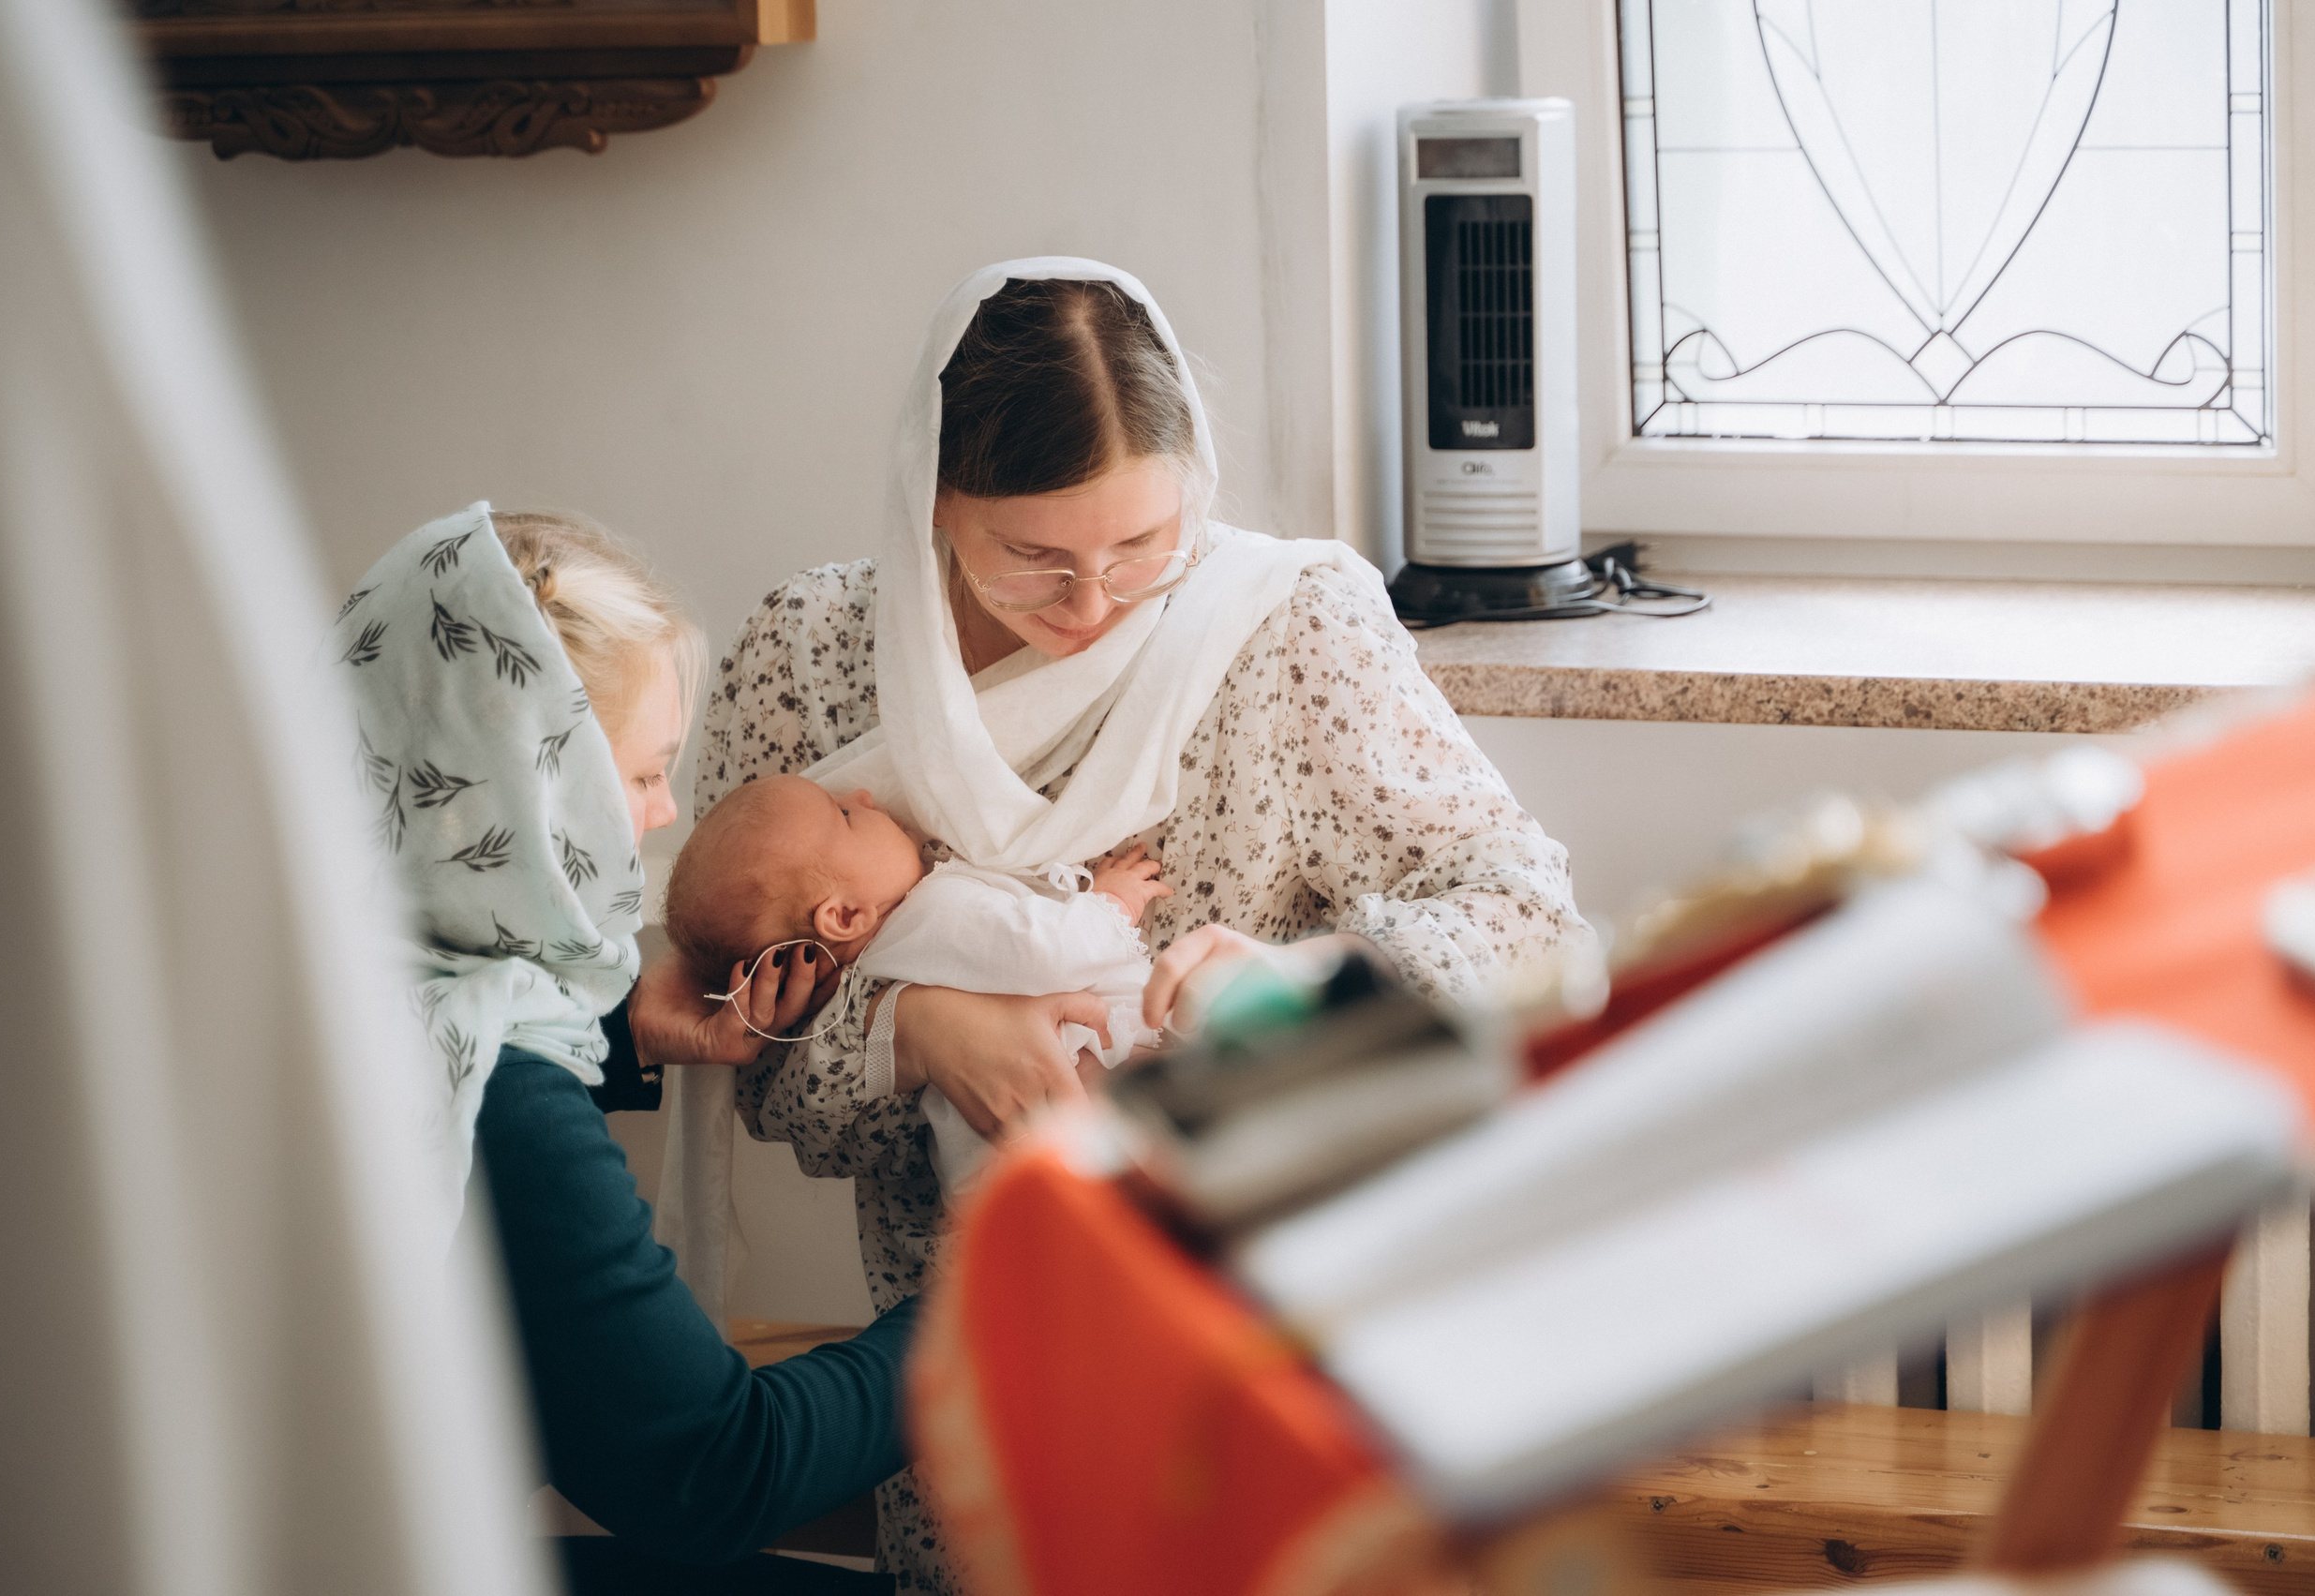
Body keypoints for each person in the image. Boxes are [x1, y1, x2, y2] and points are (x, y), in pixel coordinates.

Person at [634, 259, 1602, 1593]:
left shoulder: (1287, 626)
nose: (1090, 604)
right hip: (969, 1374)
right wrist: (916, 1028)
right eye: (1033, 559)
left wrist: (1310, 976)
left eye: (1141, 546)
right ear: (932, 501)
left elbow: (1532, 916)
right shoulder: (812, 654)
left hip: (1282, 1346)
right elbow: (753, 1054)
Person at [333, 502, 914, 1595]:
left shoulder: (326, 980)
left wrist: (621, 1030)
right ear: (530, 797)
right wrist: (990, 1309)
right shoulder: (502, 1091)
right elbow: (713, 1473)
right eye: (642, 776)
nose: (663, 811)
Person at [664, 772, 1170, 1188]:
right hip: (1083, 1105)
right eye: (844, 814)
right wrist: (1113, 901)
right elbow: (1048, 951)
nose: (863, 794)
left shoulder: (862, 989)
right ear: (845, 915)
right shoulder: (931, 914)